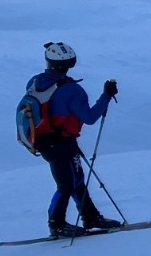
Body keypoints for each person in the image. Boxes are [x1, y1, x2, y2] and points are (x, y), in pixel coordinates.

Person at [27, 42, 120, 238]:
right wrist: (106, 96)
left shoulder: (36, 82)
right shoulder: (72, 90)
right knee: (67, 184)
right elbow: (90, 117)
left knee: (76, 180)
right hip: (61, 142)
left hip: (45, 141)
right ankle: (56, 224)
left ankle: (90, 217)